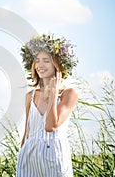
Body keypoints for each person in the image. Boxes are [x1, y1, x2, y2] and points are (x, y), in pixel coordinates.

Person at [16, 34, 79, 177]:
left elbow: (50, 126)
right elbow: (27, 132)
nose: (40, 65)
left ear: (57, 64)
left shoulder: (69, 93)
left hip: (54, 156)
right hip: (29, 157)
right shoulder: (30, 96)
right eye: (37, 61)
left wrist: (53, 93)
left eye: (46, 61)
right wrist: (22, 156)